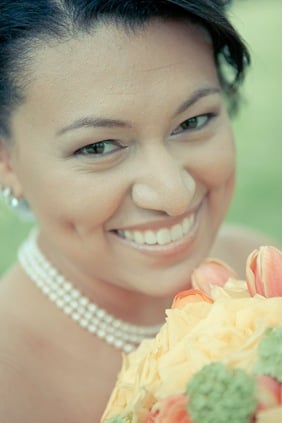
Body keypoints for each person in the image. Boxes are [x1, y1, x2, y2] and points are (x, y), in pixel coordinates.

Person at [0, 0, 276, 421]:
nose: (174, 195)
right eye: (98, 147)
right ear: (6, 161)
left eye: (194, 121)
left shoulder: (260, 273)